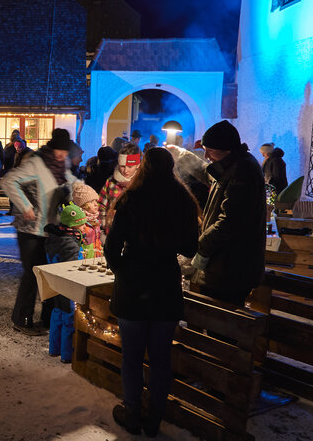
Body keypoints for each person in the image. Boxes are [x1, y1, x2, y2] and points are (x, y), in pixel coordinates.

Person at [104, 147, 199, 436]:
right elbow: (190, 248)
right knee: (160, 358)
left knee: (131, 356)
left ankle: (132, 413)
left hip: (133, 284)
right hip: (165, 285)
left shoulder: (132, 198)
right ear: (171, 168)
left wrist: (122, 270)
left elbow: (111, 246)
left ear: (144, 167)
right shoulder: (182, 200)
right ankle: (154, 419)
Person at [1, 128, 75, 335]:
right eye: (59, 150)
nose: (62, 154)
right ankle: (21, 319)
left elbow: (73, 185)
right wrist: (25, 206)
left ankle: (48, 319)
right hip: (29, 230)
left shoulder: (62, 166)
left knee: (49, 275)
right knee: (32, 274)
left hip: (51, 230)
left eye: (65, 151)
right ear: (52, 148)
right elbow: (8, 180)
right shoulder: (36, 162)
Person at [191, 120, 266, 307]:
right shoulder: (232, 166)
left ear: (226, 149)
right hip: (224, 265)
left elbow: (230, 221)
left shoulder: (243, 170)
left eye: (210, 150)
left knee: (223, 323)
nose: (206, 155)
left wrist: (202, 246)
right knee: (215, 319)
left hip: (232, 266)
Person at [43, 203, 91, 364]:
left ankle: (54, 349)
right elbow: (71, 269)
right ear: (74, 225)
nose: (84, 227)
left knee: (57, 314)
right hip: (67, 286)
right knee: (69, 319)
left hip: (55, 284)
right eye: (82, 223)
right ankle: (67, 354)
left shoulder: (56, 237)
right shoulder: (69, 243)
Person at [98, 143, 142, 235]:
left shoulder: (143, 184)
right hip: (111, 235)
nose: (125, 170)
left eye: (130, 167)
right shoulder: (111, 182)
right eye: (122, 166)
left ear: (137, 165)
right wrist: (104, 226)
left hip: (135, 238)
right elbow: (101, 205)